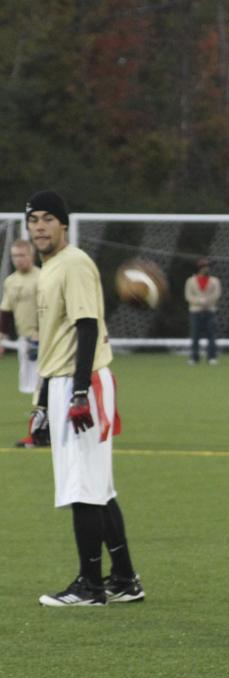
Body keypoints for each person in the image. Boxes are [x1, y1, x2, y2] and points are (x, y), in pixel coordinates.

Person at [25, 190, 144, 606]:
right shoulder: (51, 267)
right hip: (64, 382)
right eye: (33, 219)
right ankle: (125, 579)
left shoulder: (73, 263)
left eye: (47, 219)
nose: (39, 226)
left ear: (63, 224)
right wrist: (41, 402)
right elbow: (53, 344)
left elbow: (88, 327)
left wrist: (77, 393)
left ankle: (90, 587)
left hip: (83, 382)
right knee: (98, 487)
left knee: (81, 488)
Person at [0, 239, 48, 447]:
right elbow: (6, 312)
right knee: (34, 388)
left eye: (22, 255)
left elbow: (49, 308)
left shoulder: (42, 277)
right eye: (14, 256)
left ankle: (38, 433)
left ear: (31, 255)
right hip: (24, 342)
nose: (18, 260)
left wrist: (41, 332)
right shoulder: (11, 281)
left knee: (42, 387)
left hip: (44, 340)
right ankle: (41, 430)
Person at [184, 257, 221, 365]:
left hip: (210, 310)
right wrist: (199, 301)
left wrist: (208, 301)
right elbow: (188, 296)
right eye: (206, 267)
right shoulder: (190, 281)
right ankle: (194, 357)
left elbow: (217, 294)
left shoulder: (214, 281)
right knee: (195, 335)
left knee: (211, 335)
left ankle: (212, 357)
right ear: (201, 268)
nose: (208, 269)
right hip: (195, 311)